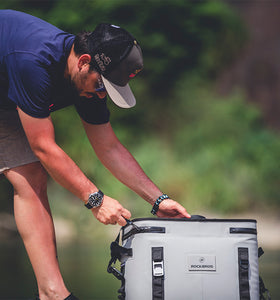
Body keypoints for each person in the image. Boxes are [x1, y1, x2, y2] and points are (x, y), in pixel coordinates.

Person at [0, 9, 191, 300]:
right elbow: (44, 147)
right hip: (11, 72)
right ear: (84, 62)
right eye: (102, 85)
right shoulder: (33, 62)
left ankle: (52, 293)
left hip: (7, 95)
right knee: (35, 166)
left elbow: (109, 146)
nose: (103, 95)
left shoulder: (89, 83)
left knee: (32, 178)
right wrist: (96, 200)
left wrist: (158, 200)